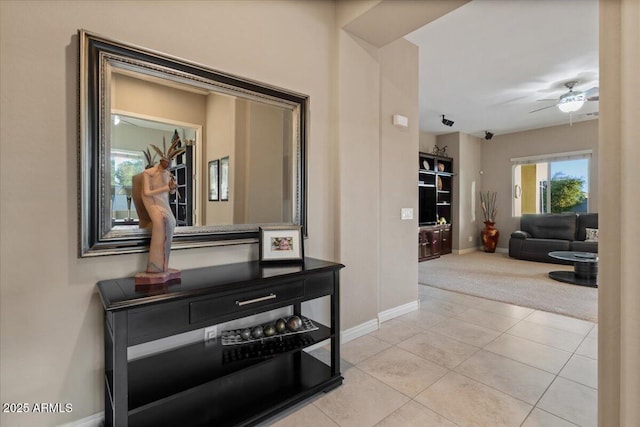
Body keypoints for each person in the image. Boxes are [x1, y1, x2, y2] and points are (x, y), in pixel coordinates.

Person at [139, 156, 177, 273]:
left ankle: (163, 264)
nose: (168, 165)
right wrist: (166, 187)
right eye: (167, 163)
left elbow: (171, 191)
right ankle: (155, 265)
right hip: (153, 203)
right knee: (161, 222)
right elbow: (146, 192)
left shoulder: (167, 173)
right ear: (161, 162)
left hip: (164, 202)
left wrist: (173, 187)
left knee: (172, 223)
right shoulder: (148, 173)